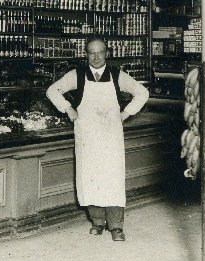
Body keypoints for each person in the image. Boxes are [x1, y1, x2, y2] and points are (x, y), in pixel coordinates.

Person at [46, 36, 150, 241]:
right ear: (86, 54)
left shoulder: (117, 75)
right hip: (88, 137)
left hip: (111, 136)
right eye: (92, 53)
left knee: (113, 178)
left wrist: (126, 113)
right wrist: (67, 108)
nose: (96, 57)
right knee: (90, 177)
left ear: (106, 53)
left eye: (100, 52)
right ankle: (97, 221)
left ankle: (116, 226)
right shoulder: (76, 75)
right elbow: (52, 90)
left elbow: (142, 93)